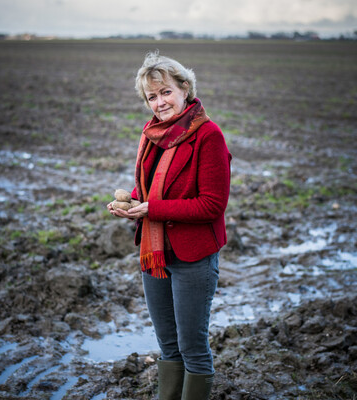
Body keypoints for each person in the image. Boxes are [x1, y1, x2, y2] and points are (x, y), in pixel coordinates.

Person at [107, 51, 231, 400]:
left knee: (192, 346)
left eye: (165, 92)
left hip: (194, 255)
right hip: (155, 254)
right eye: (151, 96)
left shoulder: (208, 135)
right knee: (168, 345)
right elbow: (149, 187)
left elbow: (212, 205)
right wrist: (132, 203)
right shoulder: (152, 133)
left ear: (184, 89)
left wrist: (152, 209)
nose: (159, 103)